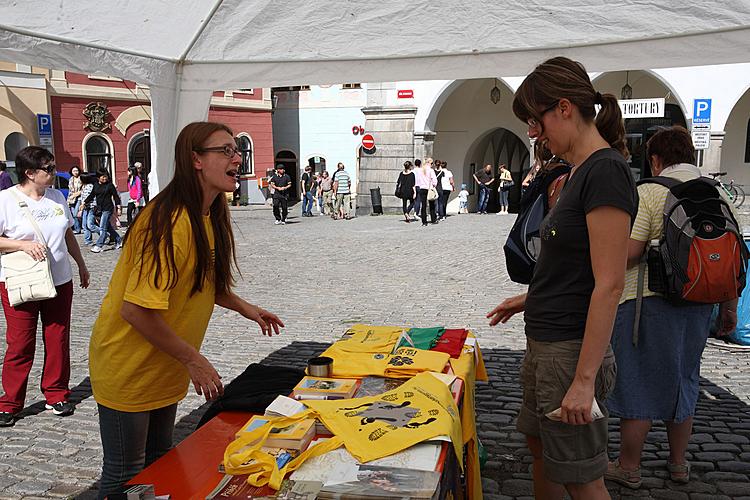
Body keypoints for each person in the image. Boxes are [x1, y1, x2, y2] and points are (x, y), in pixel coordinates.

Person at [88, 122, 284, 497]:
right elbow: (136, 311)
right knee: (125, 472)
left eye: (235, 150)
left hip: (164, 364)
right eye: (224, 150)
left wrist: (247, 308)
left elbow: (203, 280)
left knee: (159, 463)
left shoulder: (208, 214)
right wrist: (193, 359)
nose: (236, 157)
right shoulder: (168, 221)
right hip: (129, 367)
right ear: (196, 159)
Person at [487, 56, 636, 500]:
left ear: (565, 108)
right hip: (549, 342)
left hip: (570, 351)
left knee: (579, 475)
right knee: (542, 451)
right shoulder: (576, 173)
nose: (534, 132)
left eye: (538, 119)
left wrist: (584, 380)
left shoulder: (604, 170)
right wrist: (531, 298)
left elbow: (609, 283)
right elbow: (575, 269)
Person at [604, 126, 739, 489]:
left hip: (647, 305)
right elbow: (728, 258)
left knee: (639, 383)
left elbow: (631, 253)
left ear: (655, 159)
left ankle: (629, 466)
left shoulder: (649, 191)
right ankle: (678, 464)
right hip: (698, 304)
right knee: (684, 379)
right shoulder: (717, 194)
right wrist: (729, 308)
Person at [0, 146, 89, 427]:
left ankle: (56, 393)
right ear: (29, 173)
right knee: (20, 343)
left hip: (59, 279)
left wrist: (81, 264)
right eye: (48, 169)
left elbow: (67, 233)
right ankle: (10, 402)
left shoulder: (56, 198)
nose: (53, 173)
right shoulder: (5, 200)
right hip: (21, 280)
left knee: (57, 337)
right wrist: (22, 244)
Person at [84, 169, 122, 253]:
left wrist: (118, 207)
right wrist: (84, 202)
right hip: (100, 209)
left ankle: (99, 245)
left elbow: (116, 196)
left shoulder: (110, 185)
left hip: (108, 209)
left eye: (106, 176)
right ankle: (119, 240)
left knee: (103, 228)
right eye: (103, 177)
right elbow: (92, 195)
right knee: (108, 227)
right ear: (98, 177)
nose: (105, 178)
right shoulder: (96, 185)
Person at [414, 157, 438, 226]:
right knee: (432, 204)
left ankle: (424, 222)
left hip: (422, 188)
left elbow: (418, 180)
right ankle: (433, 219)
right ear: (429, 163)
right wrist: (434, 186)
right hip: (429, 188)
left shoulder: (421, 170)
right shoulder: (431, 170)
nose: (432, 164)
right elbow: (435, 181)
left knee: (423, 205)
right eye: (431, 163)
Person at [78, 173, 98, 246]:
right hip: (86, 208)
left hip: (91, 207)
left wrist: (83, 205)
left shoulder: (90, 186)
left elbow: (89, 198)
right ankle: (88, 240)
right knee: (84, 225)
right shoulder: (84, 186)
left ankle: (104, 234)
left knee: (90, 225)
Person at [67, 166, 83, 233]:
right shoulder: (71, 179)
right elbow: (70, 190)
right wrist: (69, 199)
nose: (75, 172)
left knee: (75, 214)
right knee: (73, 214)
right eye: (74, 171)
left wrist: (75, 195)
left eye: (76, 170)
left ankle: (78, 229)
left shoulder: (81, 179)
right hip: (71, 199)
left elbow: (82, 190)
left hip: (79, 198)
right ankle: (77, 228)